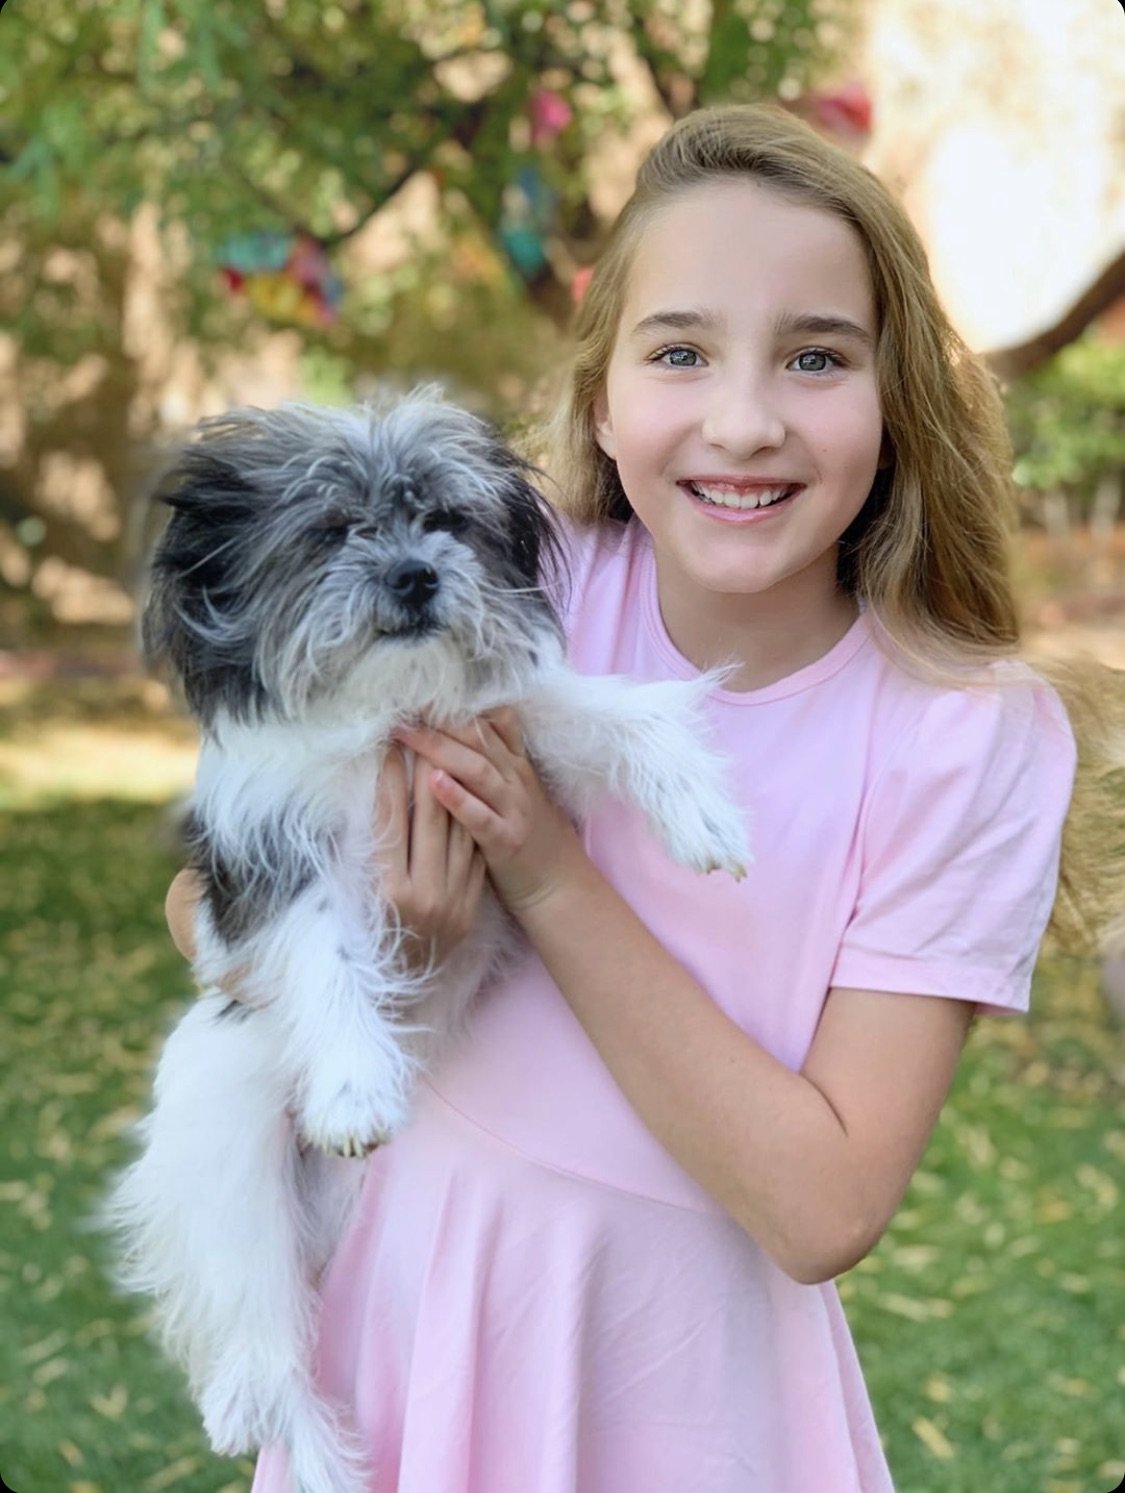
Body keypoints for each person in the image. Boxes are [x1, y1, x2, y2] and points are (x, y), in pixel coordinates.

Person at [167, 105, 1082, 1491]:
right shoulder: (517, 591)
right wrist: (389, 960)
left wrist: (544, 871)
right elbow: (218, 880)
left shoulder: (965, 735)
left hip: (690, 1381)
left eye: (816, 356)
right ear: (602, 400)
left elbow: (819, 1203)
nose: (743, 417)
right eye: (678, 351)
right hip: (416, 1311)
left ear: (896, 400)